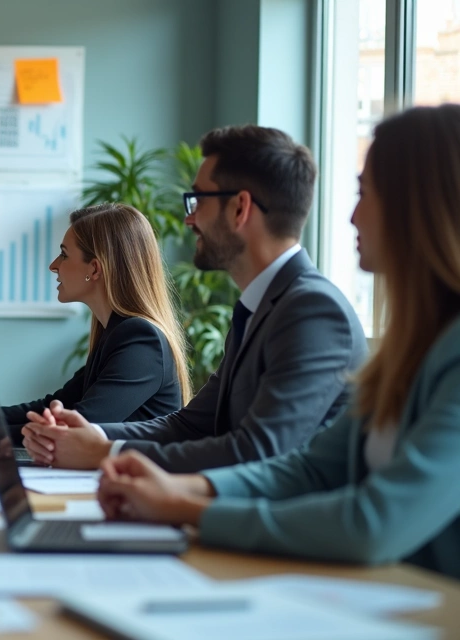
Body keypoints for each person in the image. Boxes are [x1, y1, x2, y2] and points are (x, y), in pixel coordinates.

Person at [95, 104, 460, 578]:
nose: (352, 215)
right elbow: (311, 470)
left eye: (364, 192)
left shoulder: (322, 312)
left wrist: (187, 508)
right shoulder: (409, 346)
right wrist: (178, 489)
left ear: (418, 207)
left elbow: (372, 523)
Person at [22, 125, 368, 473]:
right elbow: (190, 425)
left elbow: (258, 451)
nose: (189, 219)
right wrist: (96, 436)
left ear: (239, 208)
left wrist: (106, 452)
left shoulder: (314, 312)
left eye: (198, 200)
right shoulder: (259, 308)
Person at [0, 203, 189, 434]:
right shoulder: (114, 333)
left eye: (64, 254)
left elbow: (77, 427)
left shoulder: (141, 340)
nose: (54, 266)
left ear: (95, 269)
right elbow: (55, 406)